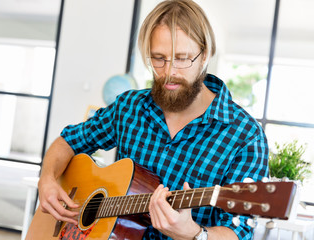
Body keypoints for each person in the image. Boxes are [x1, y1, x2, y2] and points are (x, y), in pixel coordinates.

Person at [38, 0, 269, 239]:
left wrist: (193, 234)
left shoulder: (245, 135)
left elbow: (239, 232)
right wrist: (47, 179)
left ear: (205, 55)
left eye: (182, 58)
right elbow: (68, 141)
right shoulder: (129, 107)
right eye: (159, 58)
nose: (169, 72)